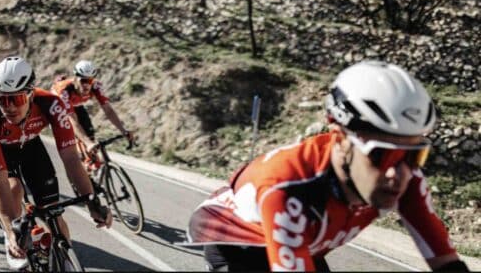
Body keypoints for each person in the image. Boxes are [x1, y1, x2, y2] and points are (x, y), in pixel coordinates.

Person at [185, 61, 469, 272]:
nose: (399, 173)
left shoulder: (405, 177)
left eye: (413, 156)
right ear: (341, 139)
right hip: (237, 243)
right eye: (381, 155)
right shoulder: (287, 188)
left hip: (304, 239)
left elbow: (446, 263)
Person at [0, 56, 113, 270]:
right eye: (2, 99)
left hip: (30, 145)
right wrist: (11, 232)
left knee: (53, 212)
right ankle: (13, 236)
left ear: (30, 94)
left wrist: (92, 201)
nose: (8, 108)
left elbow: (71, 159)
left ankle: (65, 259)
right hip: (0, 149)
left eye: (16, 99)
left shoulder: (51, 104)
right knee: (13, 187)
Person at [51, 60, 135, 171]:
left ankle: (91, 166)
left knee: (89, 133)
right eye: (83, 80)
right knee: (74, 136)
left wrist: (123, 130)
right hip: (56, 108)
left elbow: (108, 110)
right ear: (75, 78)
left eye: (89, 80)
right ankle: (80, 165)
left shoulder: (95, 86)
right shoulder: (64, 91)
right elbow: (72, 120)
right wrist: (87, 143)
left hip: (75, 105)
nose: (86, 84)